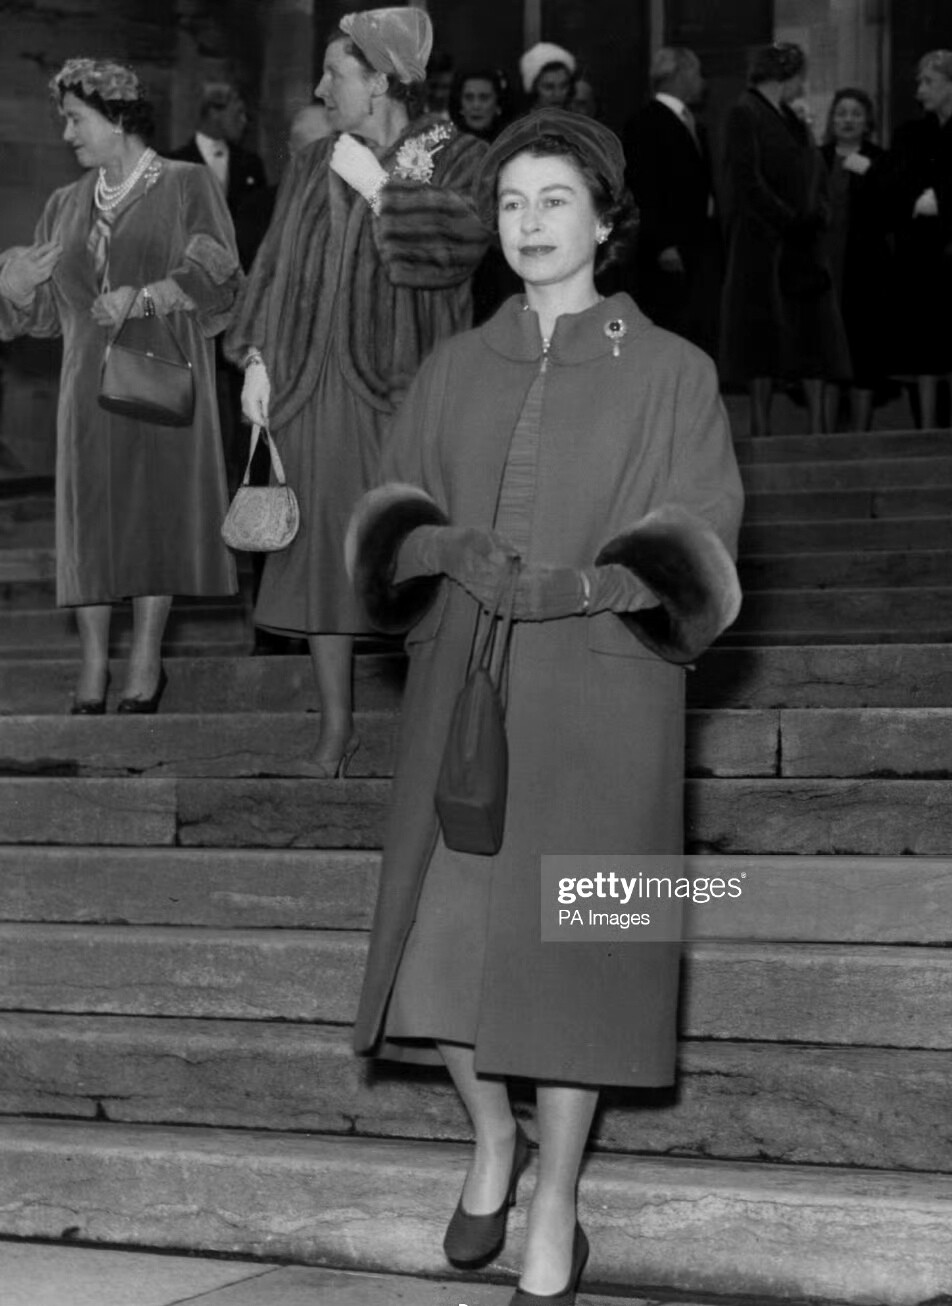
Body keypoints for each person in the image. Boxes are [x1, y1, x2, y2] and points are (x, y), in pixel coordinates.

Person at [347, 108, 743, 1304]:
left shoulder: (675, 370)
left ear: (604, 219)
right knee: (438, 943)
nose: (528, 224)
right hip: (464, 678)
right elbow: (386, 519)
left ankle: (559, 1191)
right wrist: (442, 552)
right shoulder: (455, 364)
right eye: (511, 203)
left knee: (580, 952)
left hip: (603, 693)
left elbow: (704, 546)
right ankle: (492, 1138)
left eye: (553, 201)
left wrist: (590, 584)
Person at [225, 7, 489, 776]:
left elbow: (462, 249)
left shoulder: (456, 153)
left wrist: (385, 193)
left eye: (335, 73)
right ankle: (335, 732)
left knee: (409, 556)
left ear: (379, 81)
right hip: (310, 387)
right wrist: (257, 360)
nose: (318, 87)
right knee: (315, 567)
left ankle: (432, 729)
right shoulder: (313, 160)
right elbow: (273, 265)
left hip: (400, 392)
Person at [0, 58, 239, 714]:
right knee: (90, 525)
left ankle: (145, 659)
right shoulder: (64, 203)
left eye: (76, 120)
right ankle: (91, 666)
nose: (67, 134)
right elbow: (49, 316)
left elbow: (220, 272)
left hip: (158, 373)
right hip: (83, 388)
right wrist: (17, 289)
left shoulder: (187, 183)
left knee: (152, 516)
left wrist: (149, 296)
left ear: (118, 118)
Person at [719, 43, 850, 435]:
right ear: (784, 75)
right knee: (761, 338)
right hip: (764, 245)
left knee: (811, 335)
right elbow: (747, 180)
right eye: (799, 77)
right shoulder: (745, 111)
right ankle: (761, 425)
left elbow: (813, 174)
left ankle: (816, 428)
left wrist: (816, 214)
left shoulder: (791, 117)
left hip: (799, 246)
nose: (802, 85)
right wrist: (788, 220)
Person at [623, 46, 722, 356]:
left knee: (695, 329)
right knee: (669, 328)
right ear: (680, 75)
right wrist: (662, 243)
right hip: (668, 251)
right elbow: (643, 188)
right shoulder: (646, 122)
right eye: (697, 72)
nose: (701, 81)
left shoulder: (690, 122)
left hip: (696, 244)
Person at [820, 88, 893, 431]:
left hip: (865, 271)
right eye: (841, 113)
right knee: (826, 353)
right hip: (823, 272)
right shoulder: (817, 158)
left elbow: (891, 211)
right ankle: (824, 433)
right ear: (832, 120)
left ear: (868, 122)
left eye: (856, 113)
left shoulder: (881, 160)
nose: (848, 120)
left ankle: (861, 433)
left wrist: (873, 174)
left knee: (862, 350)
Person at [886, 50, 952, 429]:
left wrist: (940, 199)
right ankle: (925, 429)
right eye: (919, 82)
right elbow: (896, 185)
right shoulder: (912, 135)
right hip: (923, 259)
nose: (920, 90)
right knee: (925, 349)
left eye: (929, 82)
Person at [167, 82, 268, 271]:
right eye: (238, 113)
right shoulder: (175, 164)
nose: (244, 121)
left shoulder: (251, 164)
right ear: (215, 112)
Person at [449, 67, 511, 142]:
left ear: (498, 104)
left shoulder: (512, 144)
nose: (476, 105)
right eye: (469, 98)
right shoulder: (444, 145)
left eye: (484, 98)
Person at [519, 42, 576, 110]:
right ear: (534, 89)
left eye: (563, 86)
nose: (557, 94)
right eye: (549, 87)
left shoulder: (577, 119)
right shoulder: (524, 120)